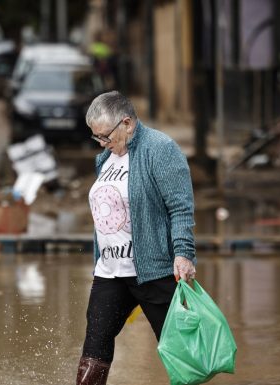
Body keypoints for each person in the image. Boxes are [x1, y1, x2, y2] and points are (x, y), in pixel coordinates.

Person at [76, 91, 196, 385]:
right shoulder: (107, 156)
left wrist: (183, 252)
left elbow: (180, 206)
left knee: (181, 353)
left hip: (154, 271)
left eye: (105, 136)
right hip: (110, 272)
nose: (102, 144)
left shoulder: (160, 149)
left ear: (127, 123)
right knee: (95, 344)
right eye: (97, 138)